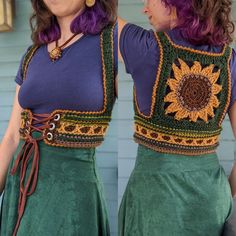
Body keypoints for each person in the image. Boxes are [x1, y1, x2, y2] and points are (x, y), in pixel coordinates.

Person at [118, 0, 236, 235]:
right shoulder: (230, 62)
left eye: (149, 0)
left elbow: (99, 15)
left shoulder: (146, 48)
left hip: (156, 203)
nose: (144, 8)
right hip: (211, 200)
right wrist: (226, 189)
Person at [0, 0, 117, 235]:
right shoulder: (32, 54)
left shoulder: (112, 45)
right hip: (20, 189)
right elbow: (12, 137)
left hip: (71, 196)